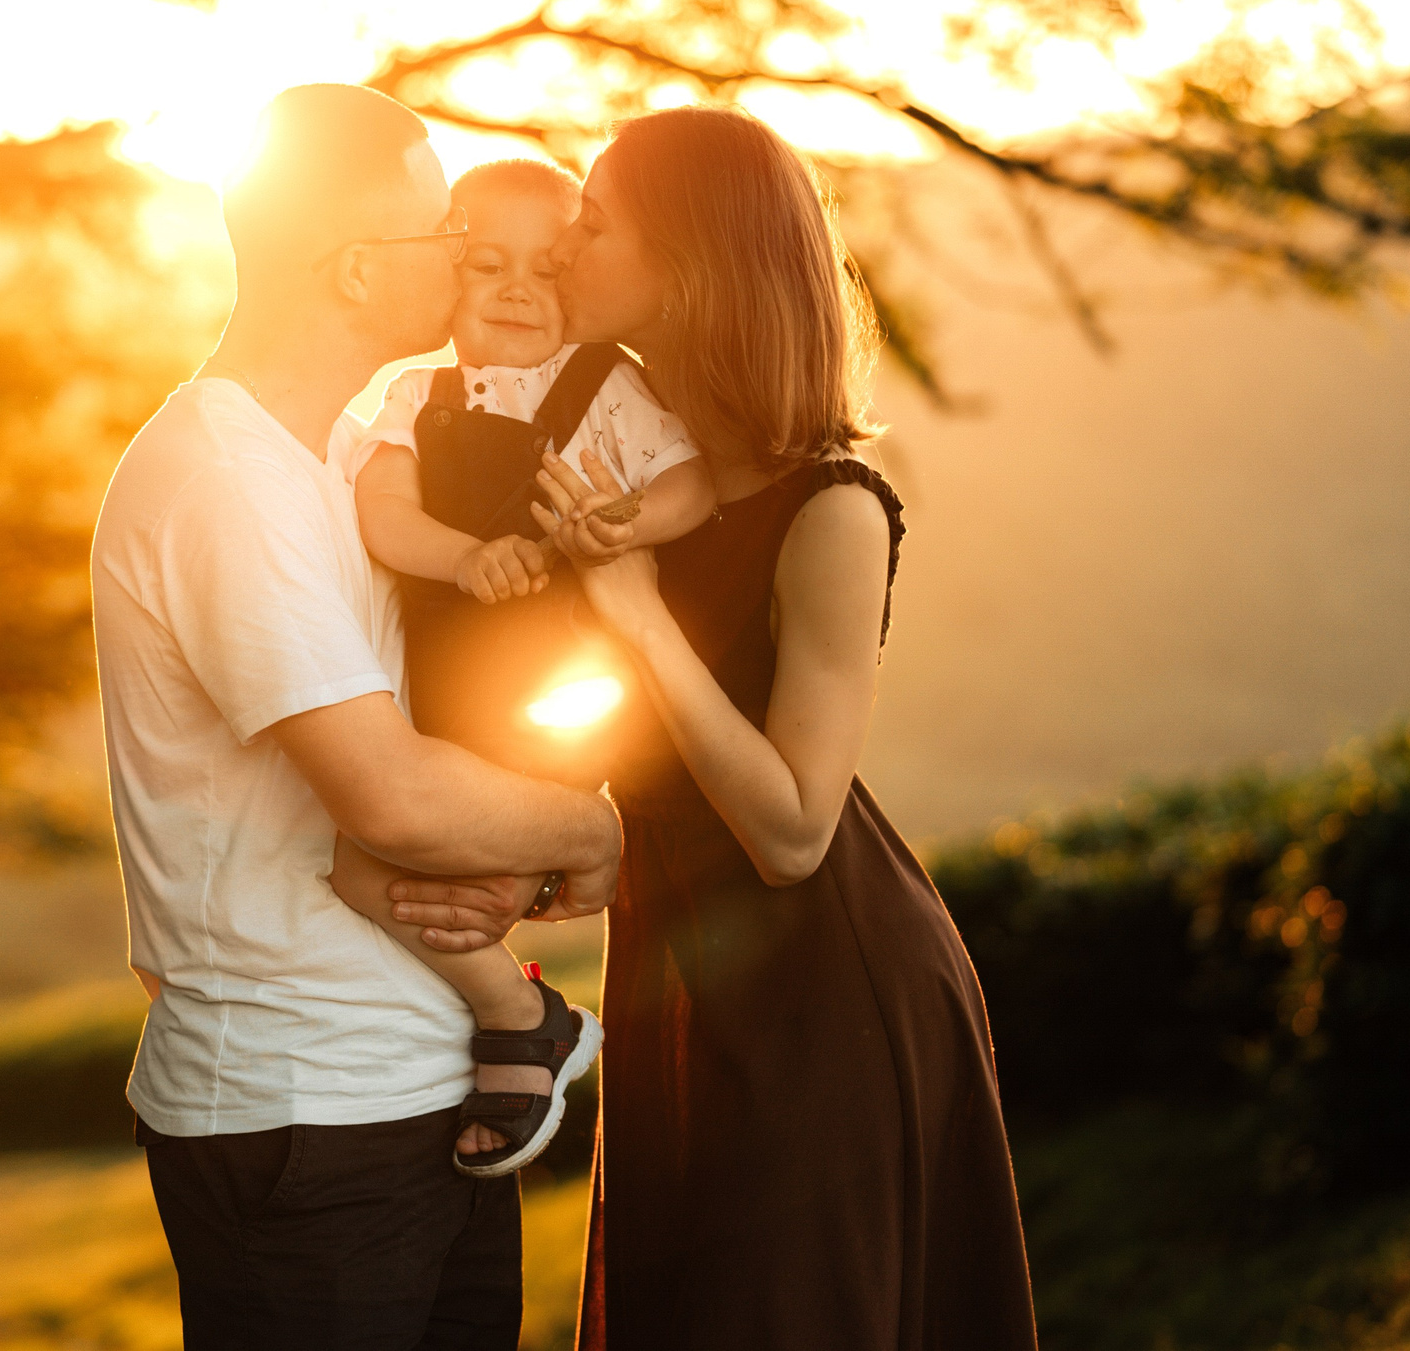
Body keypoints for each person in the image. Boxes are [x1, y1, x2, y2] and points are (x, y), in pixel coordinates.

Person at [386, 107, 1041, 1349]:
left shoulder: (828, 505)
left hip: (824, 988)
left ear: (682, 268)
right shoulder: (612, 460)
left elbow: (794, 828)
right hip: (677, 967)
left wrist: (633, 615)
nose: (560, 248)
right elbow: (596, 739)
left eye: (591, 224)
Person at [89, 84, 625, 1350]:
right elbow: (386, 792)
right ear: (351, 269)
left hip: (414, 1093)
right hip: (304, 1119)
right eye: (442, 227)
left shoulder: (334, 457)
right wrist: (593, 837)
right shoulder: (229, 481)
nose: (465, 252)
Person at [329, 159, 716, 1177]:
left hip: (561, 696)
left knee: (486, 853)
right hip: (443, 702)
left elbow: (687, 482)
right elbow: (384, 511)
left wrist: (622, 521)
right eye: (487, 265)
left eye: (546, 271)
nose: (515, 290)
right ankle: (517, 1008)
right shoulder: (417, 396)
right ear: (447, 276)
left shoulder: (606, 383)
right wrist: (461, 555)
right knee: (361, 861)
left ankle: (512, 1038)